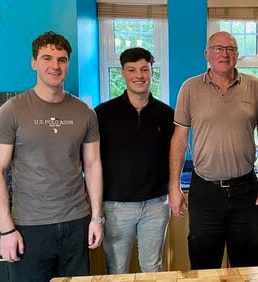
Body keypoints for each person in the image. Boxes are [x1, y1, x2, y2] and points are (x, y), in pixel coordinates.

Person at [0, 31, 104, 282]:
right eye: (47, 58)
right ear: (34, 63)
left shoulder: (84, 112)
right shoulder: (12, 111)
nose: (55, 65)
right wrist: (6, 230)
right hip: (30, 227)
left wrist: (96, 217)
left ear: (68, 64)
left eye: (62, 59)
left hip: (76, 222)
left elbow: (93, 165)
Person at [168, 31, 258, 269]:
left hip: (246, 190)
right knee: (204, 266)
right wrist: (173, 186)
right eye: (217, 48)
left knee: (247, 265)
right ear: (207, 54)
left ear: (237, 55)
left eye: (230, 49)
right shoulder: (190, 88)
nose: (224, 54)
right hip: (205, 191)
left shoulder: (255, 87)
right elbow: (179, 139)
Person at [95, 47, 174, 274]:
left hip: (156, 204)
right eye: (132, 70)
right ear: (122, 73)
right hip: (115, 206)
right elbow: (92, 162)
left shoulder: (166, 114)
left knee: (152, 267)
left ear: (151, 72)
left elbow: (174, 156)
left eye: (144, 69)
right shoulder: (103, 113)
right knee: (117, 269)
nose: (138, 75)